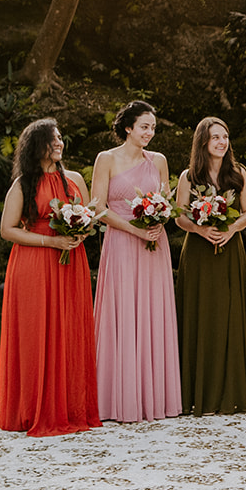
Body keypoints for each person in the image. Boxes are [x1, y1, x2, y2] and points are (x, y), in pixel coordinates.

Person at [0, 118, 100, 436]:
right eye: (52, 138)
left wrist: (80, 234)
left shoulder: (75, 180)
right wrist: (51, 241)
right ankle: (32, 408)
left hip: (71, 262)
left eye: (60, 137)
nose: (59, 143)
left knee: (70, 328)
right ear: (36, 145)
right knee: (37, 332)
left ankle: (70, 407)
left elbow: (91, 217)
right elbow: (7, 229)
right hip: (34, 263)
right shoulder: (23, 184)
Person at [91, 100, 181, 422]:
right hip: (121, 244)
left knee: (153, 314)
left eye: (153, 128)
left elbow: (167, 201)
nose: (150, 133)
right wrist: (133, 229)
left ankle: (154, 398)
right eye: (144, 126)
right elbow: (98, 208)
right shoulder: (107, 159)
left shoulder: (159, 161)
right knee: (124, 313)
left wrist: (159, 221)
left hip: (155, 246)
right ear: (128, 127)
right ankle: (118, 400)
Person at [174, 116, 246, 415]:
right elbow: (179, 216)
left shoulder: (239, 173)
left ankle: (232, 392)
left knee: (229, 315)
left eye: (225, 136)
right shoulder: (189, 177)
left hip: (229, 249)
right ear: (203, 143)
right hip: (197, 253)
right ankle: (196, 393)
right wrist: (198, 229)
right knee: (198, 315)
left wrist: (232, 228)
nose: (222, 142)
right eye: (215, 138)